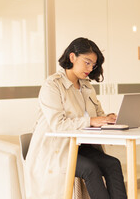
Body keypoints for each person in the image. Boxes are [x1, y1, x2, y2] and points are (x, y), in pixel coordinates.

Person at [25, 37, 127, 199]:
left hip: (80, 147)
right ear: (72, 57)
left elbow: (98, 115)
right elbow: (58, 125)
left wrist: (108, 119)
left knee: (113, 164)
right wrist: (91, 121)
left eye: (93, 65)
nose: (90, 68)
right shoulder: (52, 85)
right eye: (87, 62)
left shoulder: (86, 86)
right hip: (56, 149)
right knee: (90, 169)